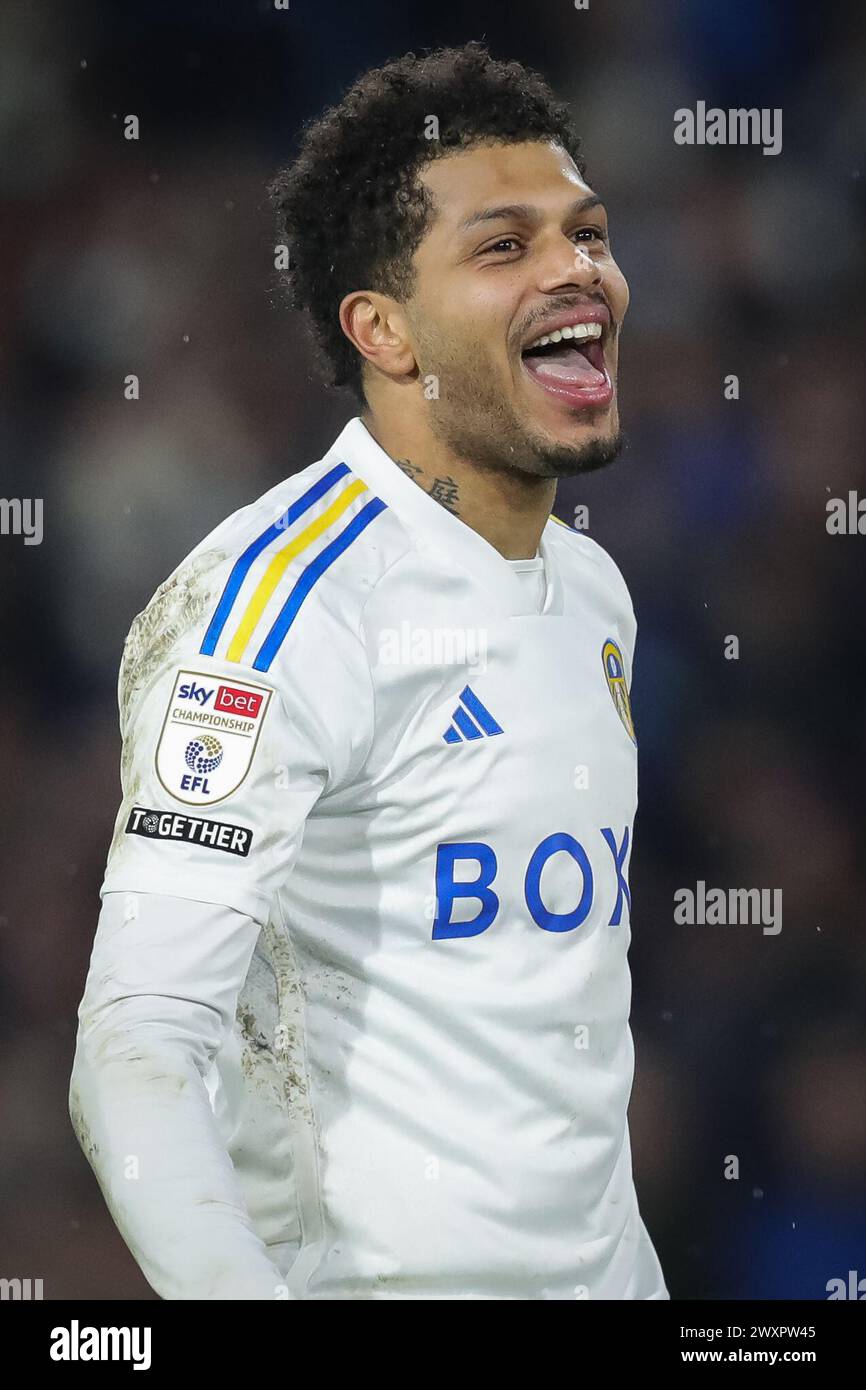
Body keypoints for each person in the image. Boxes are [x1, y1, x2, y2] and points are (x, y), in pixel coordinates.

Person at [70, 41, 668, 1301]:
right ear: (382, 330)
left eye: (588, 232)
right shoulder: (275, 613)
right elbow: (137, 1052)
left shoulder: (594, 593)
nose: (577, 269)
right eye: (504, 247)